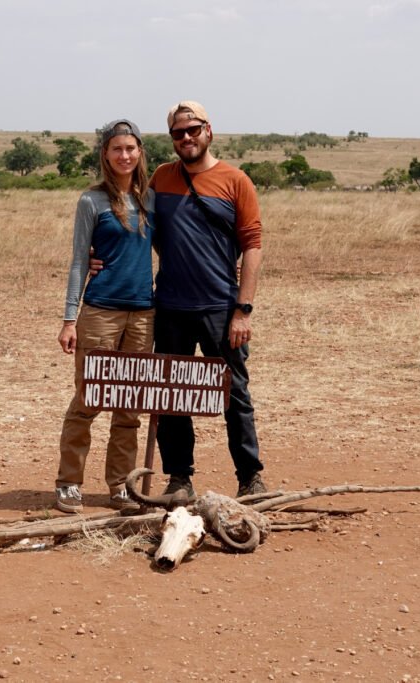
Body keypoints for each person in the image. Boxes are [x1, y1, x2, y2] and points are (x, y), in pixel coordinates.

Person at [150, 100, 267, 499]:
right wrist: (99, 259)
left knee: (234, 394)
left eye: (192, 130)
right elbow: (137, 232)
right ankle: (179, 478)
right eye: (178, 133)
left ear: (208, 130)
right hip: (169, 308)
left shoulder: (236, 181)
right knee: (171, 394)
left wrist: (243, 309)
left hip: (221, 308)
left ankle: (249, 477)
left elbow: (252, 245)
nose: (186, 138)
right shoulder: (160, 178)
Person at [54, 119, 156, 514]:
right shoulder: (91, 201)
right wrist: (68, 319)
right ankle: (68, 484)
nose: (125, 155)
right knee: (89, 398)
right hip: (99, 313)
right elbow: (81, 260)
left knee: (129, 403)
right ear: (106, 154)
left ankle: (121, 486)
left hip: (144, 314)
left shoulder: (152, 199)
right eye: (117, 149)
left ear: (140, 153)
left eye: (131, 149)